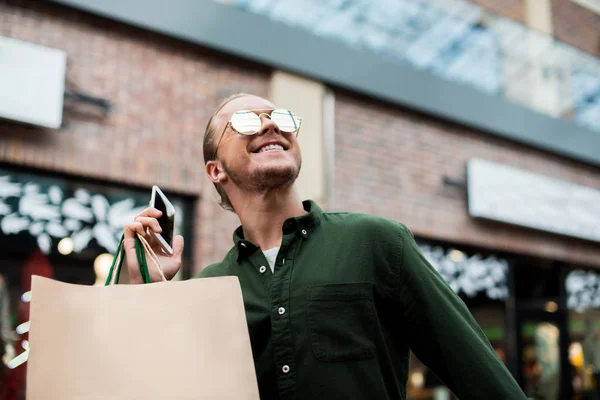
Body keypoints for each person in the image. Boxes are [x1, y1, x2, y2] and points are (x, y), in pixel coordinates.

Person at [123, 93, 527, 399]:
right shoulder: (211, 285)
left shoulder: (375, 242)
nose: (270, 126)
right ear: (216, 170)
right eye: (245, 122)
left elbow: (479, 374)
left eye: (279, 118)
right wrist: (143, 289)